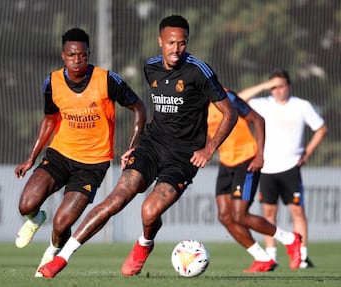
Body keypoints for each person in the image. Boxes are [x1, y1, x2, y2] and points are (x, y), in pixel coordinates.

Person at [37, 14, 238, 278]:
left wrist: (209, 149)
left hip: (183, 157)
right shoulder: (150, 67)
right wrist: (135, 145)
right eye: (171, 43)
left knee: (150, 210)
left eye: (182, 43)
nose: (176, 49)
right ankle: (62, 258)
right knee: (117, 197)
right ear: (160, 41)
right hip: (151, 145)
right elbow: (156, 113)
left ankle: (144, 243)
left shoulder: (199, 71)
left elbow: (230, 113)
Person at [14, 27, 146, 277]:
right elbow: (50, 120)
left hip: (92, 165)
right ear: (63, 55)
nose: (77, 60)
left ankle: (52, 252)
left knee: (62, 223)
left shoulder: (107, 79)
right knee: (26, 205)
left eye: (82, 55)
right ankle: (34, 219)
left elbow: (138, 107)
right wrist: (31, 158)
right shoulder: (51, 82)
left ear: (88, 54)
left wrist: (133, 145)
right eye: (72, 55)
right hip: (59, 154)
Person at [238, 68, 328, 268]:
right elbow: (238, 100)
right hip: (266, 167)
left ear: (289, 86)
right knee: (268, 213)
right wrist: (263, 85)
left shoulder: (301, 106)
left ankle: (302, 256)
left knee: (297, 211)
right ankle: (272, 256)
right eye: (274, 87)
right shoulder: (262, 104)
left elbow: (321, 129)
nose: (278, 91)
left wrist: (308, 152)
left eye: (281, 86)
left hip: (290, 167)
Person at [208, 89, 302, 273]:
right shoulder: (195, 104)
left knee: (239, 215)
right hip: (226, 162)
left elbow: (258, 120)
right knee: (224, 217)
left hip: (246, 161)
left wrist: (260, 155)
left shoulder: (227, 97)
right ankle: (262, 258)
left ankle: (290, 239)